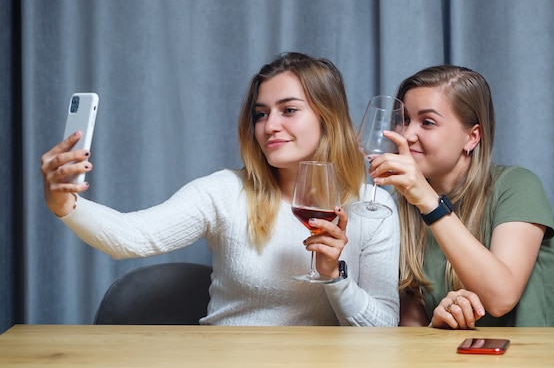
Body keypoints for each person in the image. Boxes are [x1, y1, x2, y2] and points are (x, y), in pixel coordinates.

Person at [41, 52, 400, 326]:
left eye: (288, 110)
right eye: (260, 114)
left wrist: (333, 277)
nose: (270, 126)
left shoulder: (372, 206)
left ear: (328, 118)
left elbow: (383, 328)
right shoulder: (224, 192)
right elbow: (131, 237)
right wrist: (64, 202)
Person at [368, 65, 554, 328]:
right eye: (405, 119)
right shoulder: (403, 208)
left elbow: (501, 298)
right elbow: (413, 331)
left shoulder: (517, 186)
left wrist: (429, 201)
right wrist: (435, 326)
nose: (407, 135)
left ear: (472, 137)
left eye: (427, 122)